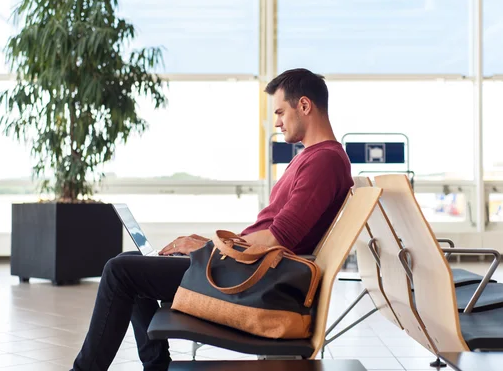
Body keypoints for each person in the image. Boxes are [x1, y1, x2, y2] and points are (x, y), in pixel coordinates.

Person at [71, 68, 353, 371]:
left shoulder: (324, 161)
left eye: (281, 112)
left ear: (306, 106)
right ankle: (156, 366)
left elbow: (277, 239)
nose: (277, 122)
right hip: (245, 270)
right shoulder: (314, 158)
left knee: (119, 271)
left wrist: (210, 249)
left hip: (252, 280)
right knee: (130, 260)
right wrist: (209, 248)